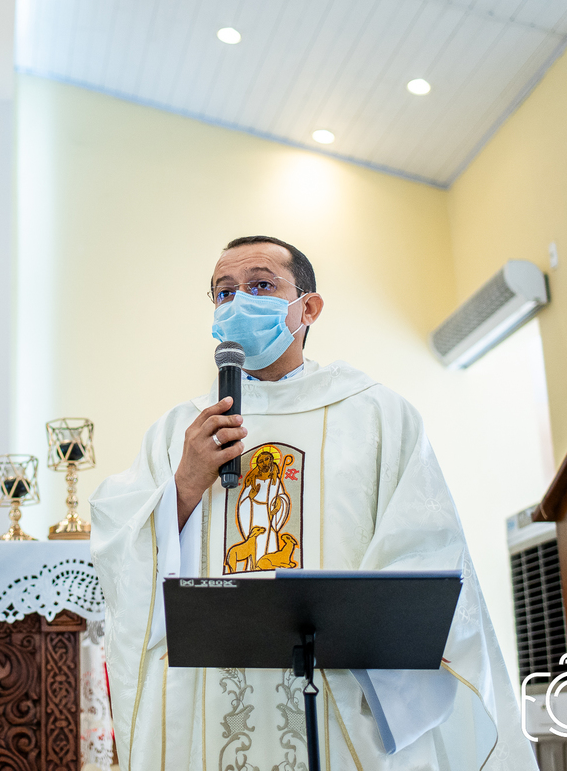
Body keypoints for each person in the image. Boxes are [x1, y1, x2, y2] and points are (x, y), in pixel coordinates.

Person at [89, 236, 535, 770]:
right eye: (223, 293)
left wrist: (375, 672)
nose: (237, 304)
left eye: (260, 286)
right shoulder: (176, 432)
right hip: (213, 699)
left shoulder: (377, 416)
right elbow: (120, 550)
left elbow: (424, 550)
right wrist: (183, 486)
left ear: (309, 307)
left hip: (341, 693)